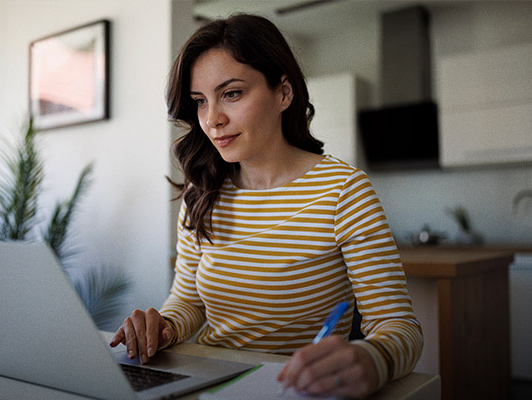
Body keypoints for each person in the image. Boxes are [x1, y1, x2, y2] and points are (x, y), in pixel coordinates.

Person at [110, 13, 423, 398]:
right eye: (199, 102)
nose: (212, 120)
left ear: (283, 94)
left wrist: (373, 359)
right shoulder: (202, 192)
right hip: (206, 382)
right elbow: (188, 301)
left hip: (295, 389)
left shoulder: (343, 191)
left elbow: (398, 326)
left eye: (232, 93)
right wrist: (165, 326)